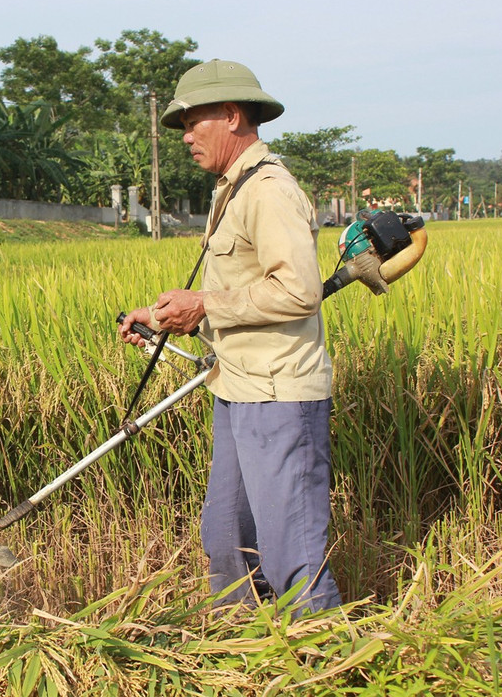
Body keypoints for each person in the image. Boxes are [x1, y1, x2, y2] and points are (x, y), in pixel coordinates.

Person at [118, 59, 342, 613]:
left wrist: (204, 303)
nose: (186, 136)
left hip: (278, 394)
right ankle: (242, 650)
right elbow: (237, 293)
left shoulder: (268, 190)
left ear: (233, 115)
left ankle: (326, 659)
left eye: (194, 122)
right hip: (236, 387)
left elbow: (297, 290)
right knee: (227, 540)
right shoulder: (232, 190)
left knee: (290, 551)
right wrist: (164, 313)